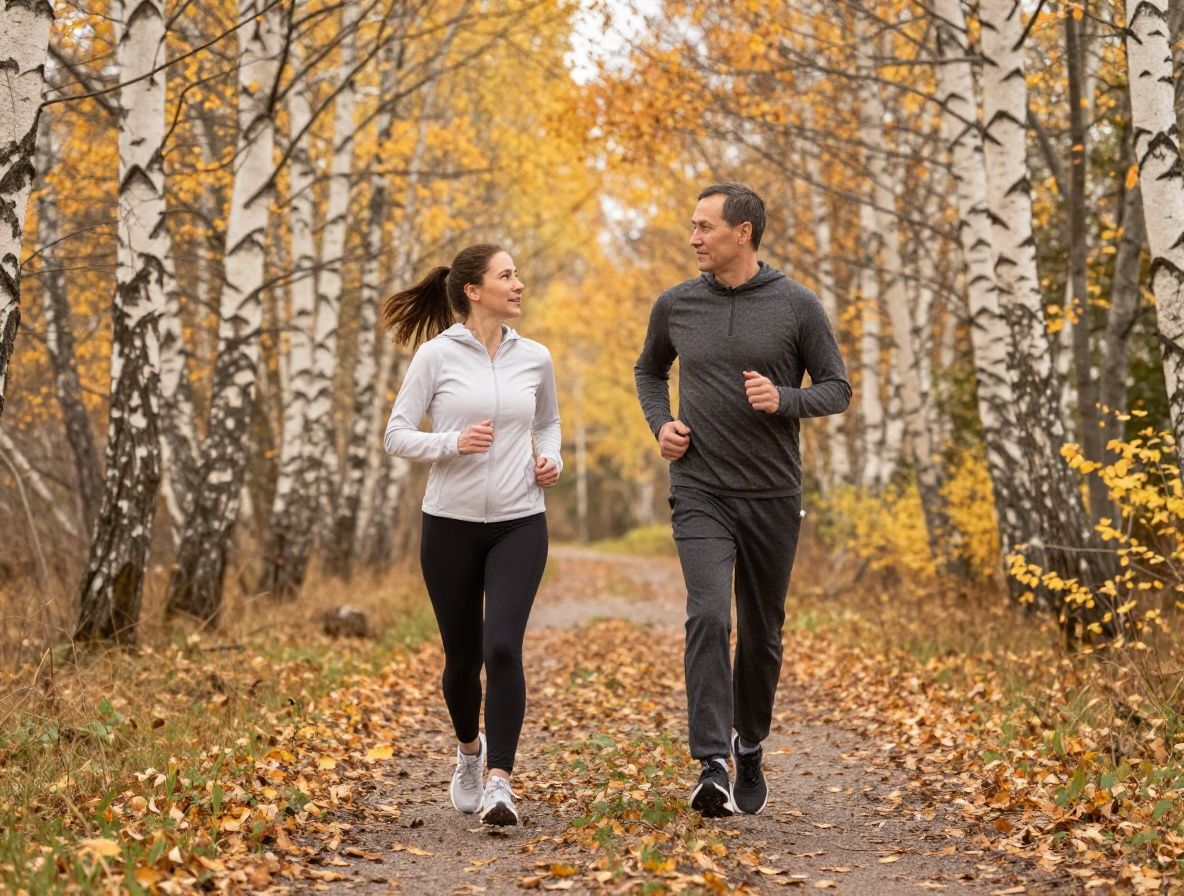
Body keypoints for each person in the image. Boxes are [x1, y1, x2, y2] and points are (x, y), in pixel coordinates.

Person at [634, 183, 851, 817]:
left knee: (762, 634)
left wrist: (785, 399)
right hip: (700, 487)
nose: (694, 238)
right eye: (692, 227)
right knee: (708, 615)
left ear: (743, 233)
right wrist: (662, 424)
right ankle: (711, 763)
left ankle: (748, 740)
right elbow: (649, 371)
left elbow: (837, 389)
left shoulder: (796, 306)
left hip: (771, 495)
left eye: (705, 227)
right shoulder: (676, 305)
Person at [382, 243, 562, 826]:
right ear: (473, 290)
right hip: (450, 526)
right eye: (507, 275)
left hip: (519, 521)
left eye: (518, 274)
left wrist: (550, 458)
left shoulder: (535, 357)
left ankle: (500, 782)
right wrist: (451, 444)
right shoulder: (435, 357)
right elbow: (397, 434)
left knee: (502, 646)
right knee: (462, 660)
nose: (519, 284)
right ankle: (468, 753)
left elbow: (548, 421)